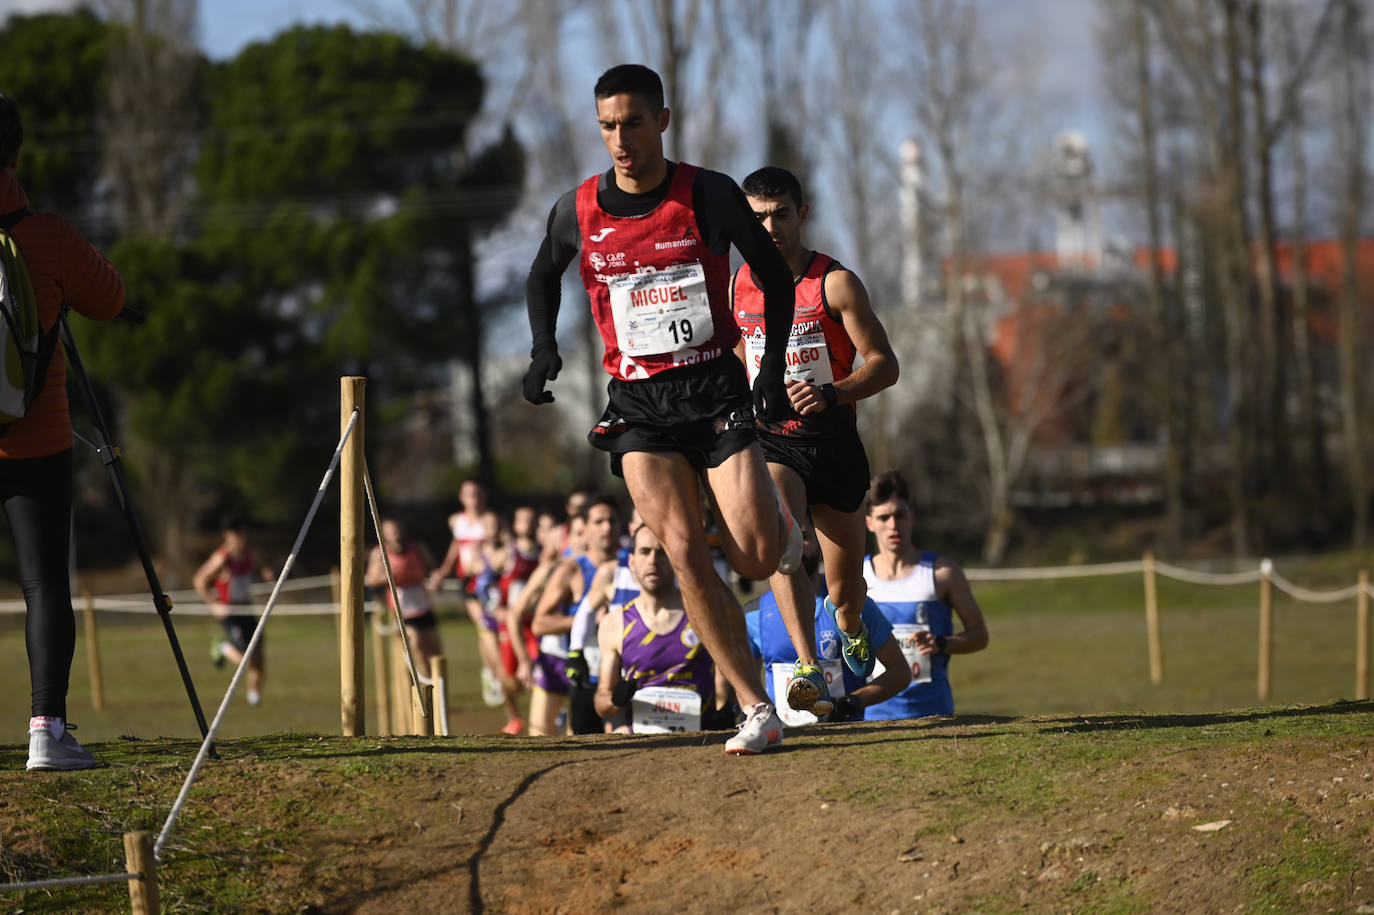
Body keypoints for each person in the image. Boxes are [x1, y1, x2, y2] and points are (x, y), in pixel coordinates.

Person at [522, 64, 803, 754]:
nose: (621, 139)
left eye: (634, 123)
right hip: (639, 405)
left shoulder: (706, 194)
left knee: (760, 556)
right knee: (680, 549)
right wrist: (541, 349)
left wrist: (767, 371)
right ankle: (754, 707)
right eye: (608, 126)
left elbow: (771, 274)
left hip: (714, 389)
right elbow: (540, 273)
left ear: (663, 121)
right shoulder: (578, 208)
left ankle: (774, 515)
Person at [731, 166, 899, 719]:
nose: (770, 226)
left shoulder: (835, 283)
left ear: (801, 214)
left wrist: (831, 393)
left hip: (835, 444)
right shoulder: (739, 285)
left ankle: (850, 626)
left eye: (780, 213)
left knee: (844, 591)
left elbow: (885, 365)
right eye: (757, 217)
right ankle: (806, 668)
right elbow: (738, 358)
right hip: (775, 442)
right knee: (782, 535)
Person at [1, 92, 126, 770]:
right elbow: (108, 295)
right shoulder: (43, 233)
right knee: (44, 583)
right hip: (36, 434)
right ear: (16, 154)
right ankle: (47, 729)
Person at [744, 525, 909, 726]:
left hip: (847, 735)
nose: (796, 548)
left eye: (803, 537)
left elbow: (900, 672)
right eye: (788, 538)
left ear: (820, 543)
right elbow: (744, 680)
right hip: (784, 740)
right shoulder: (755, 613)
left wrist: (852, 702)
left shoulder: (855, 607)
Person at [862, 471, 989, 720]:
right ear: (869, 523)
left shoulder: (942, 572)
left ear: (912, 516)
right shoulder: (858, 577)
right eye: (884, 517)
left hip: (933, 712)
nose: (893, 525)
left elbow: (979, 636)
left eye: (900, 515)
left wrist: (941, 644)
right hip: (871, 715)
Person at [594, 524, 718, 734]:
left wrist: (725, 713)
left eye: (661, 553)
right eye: (644, 552)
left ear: (675, 558)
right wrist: (616, 699)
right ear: (632, 562)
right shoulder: (614, 623)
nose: (652, 561)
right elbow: (601, 702)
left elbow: (730, 684)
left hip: (702, 741)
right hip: (644, 746)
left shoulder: (705, 613)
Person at [529, 497, 620, 736]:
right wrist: (587, 620)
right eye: (599, 522)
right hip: (586, 673)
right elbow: (539, 623)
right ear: (586, 530)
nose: (607, 527)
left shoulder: (633, 565)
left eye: (612, 520)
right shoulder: (572, 570)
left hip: (625, 673)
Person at [193, 515, 274, 707]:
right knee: (248, 660)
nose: (242, 536)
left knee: (259, 654)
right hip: (230, 613)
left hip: (246, 608)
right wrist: (213, 603)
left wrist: (265, 573)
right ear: (228, 535)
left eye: (243, 532)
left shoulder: (247, 554)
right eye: (237, 533)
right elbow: (199, 580)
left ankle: (254, 696)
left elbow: (256, 569)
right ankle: (222, 648)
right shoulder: (223, 557)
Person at [364, 519, 442, 685]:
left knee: (436, 651)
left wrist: (435, 579)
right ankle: (428, 686)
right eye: (391, 531)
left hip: (423, 605)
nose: (396, 534)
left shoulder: (417, 548)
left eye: (397, 530)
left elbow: (432, 568)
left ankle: (439, 687)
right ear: (384, 534)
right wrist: (387, 577)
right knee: (416, 644)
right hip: (401, 610)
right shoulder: (380, 554)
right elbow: (370, 580)